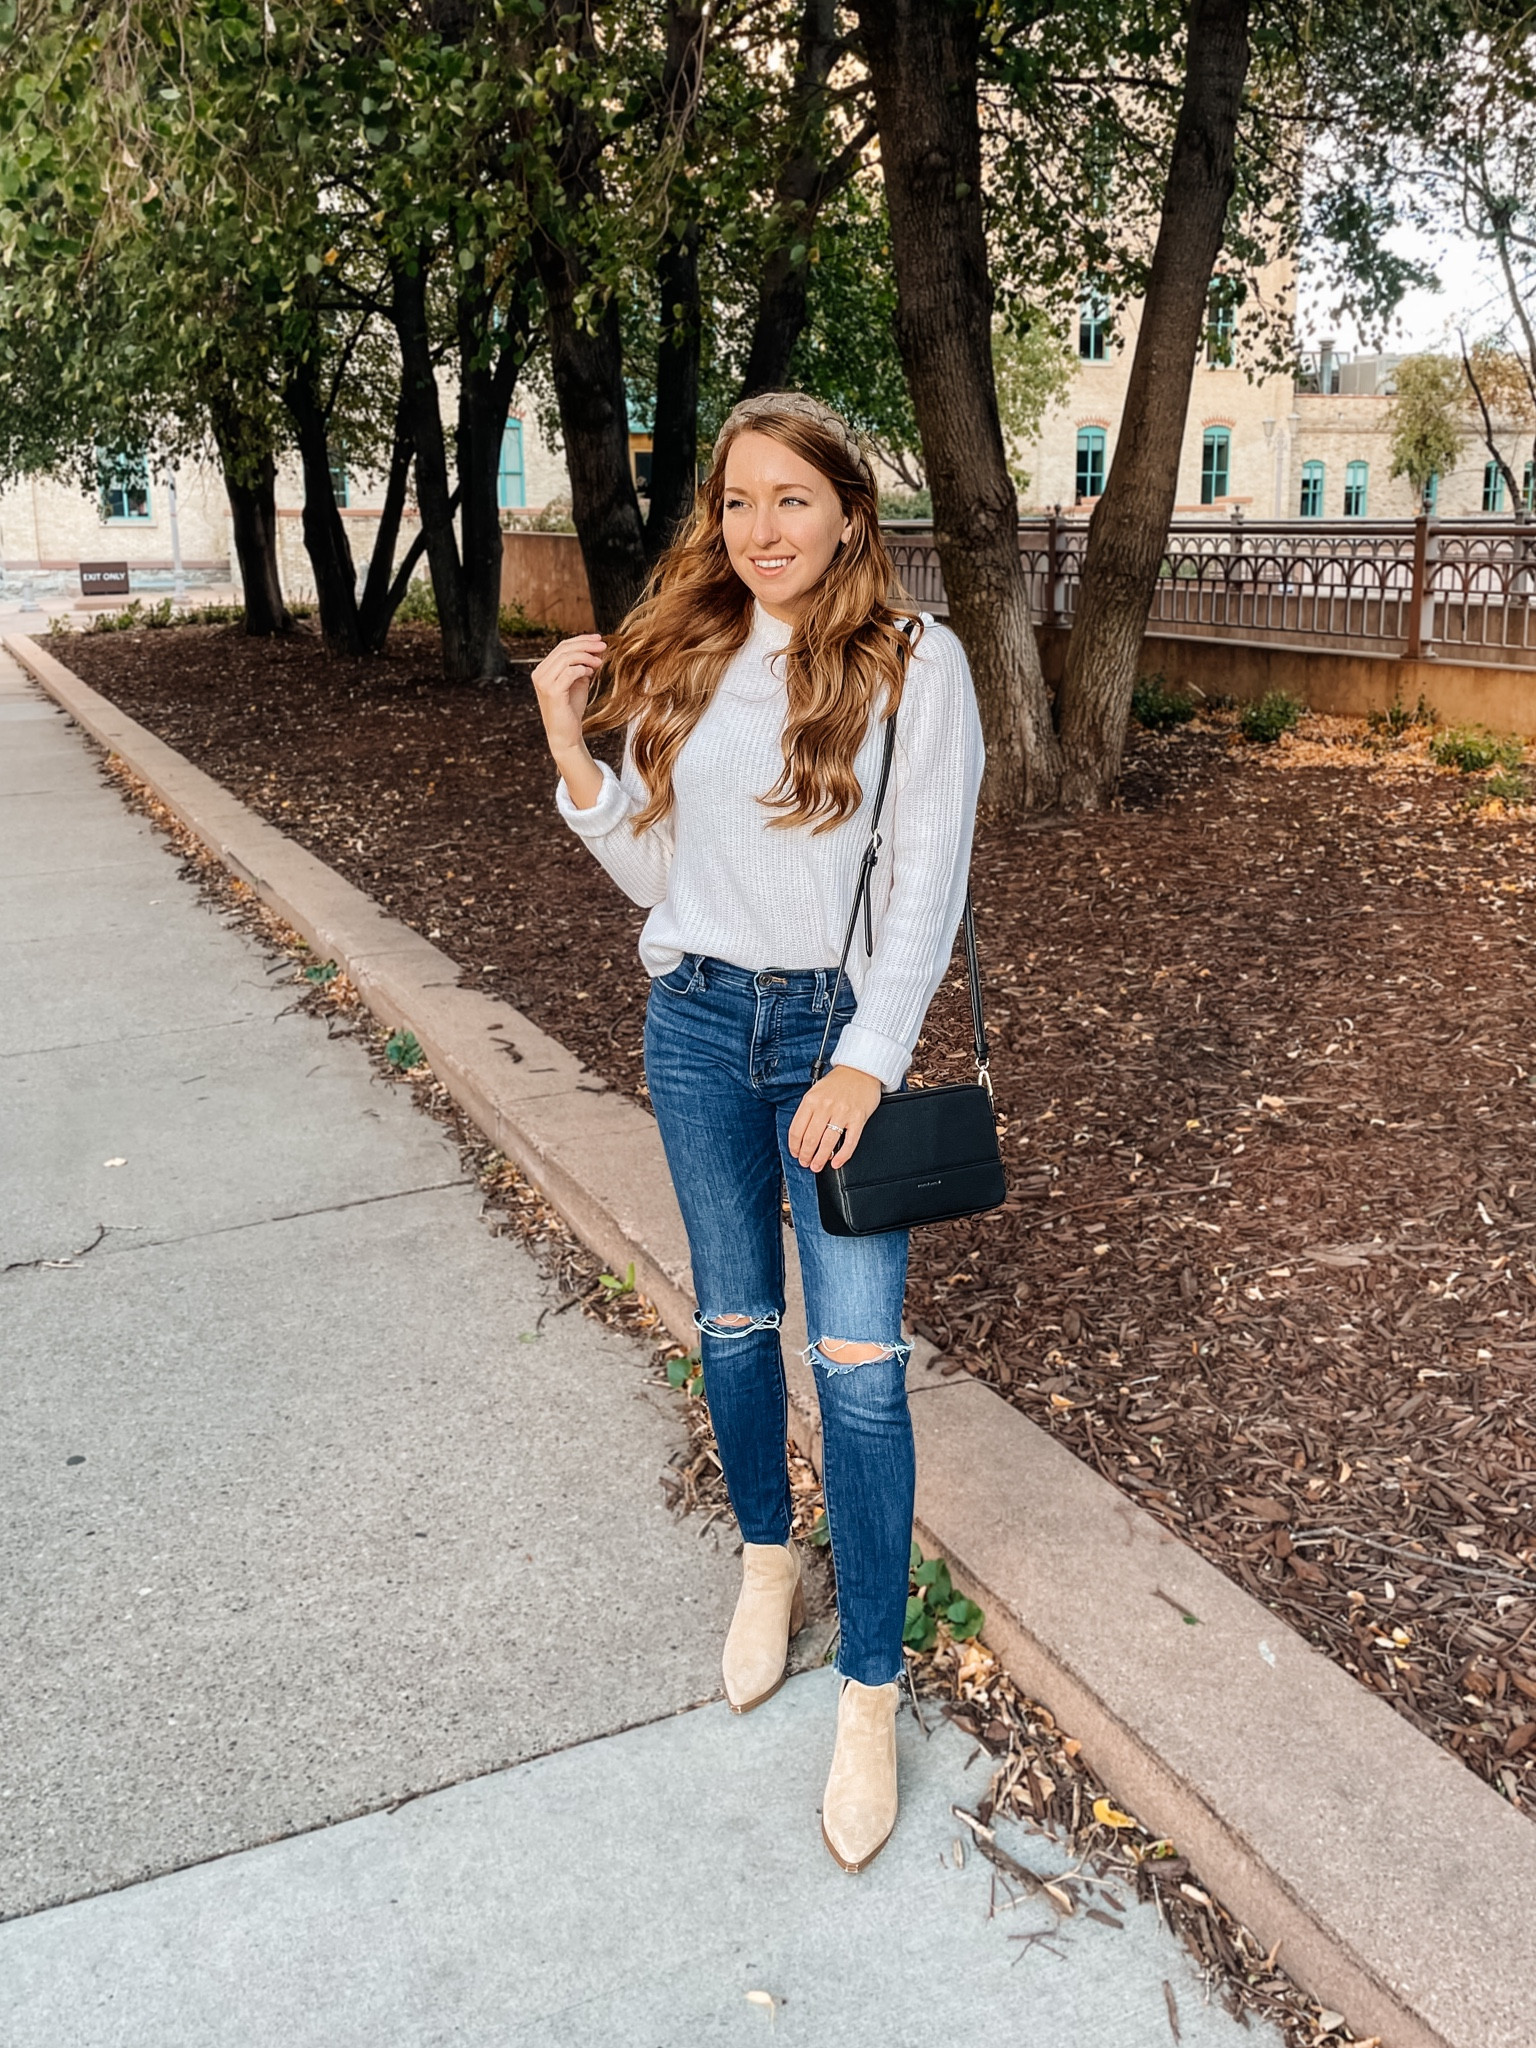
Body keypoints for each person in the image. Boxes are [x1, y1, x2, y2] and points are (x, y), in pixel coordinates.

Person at [531, 390, 984, 1871]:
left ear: (850, 508)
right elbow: (668, 875)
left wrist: (868, 1056)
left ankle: (868, 1689)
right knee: (732, 1324)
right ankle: (764, 1564)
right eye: (737, 502)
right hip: (700, 1025)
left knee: (855, 1365)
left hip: (830, 1041)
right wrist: (571, 748)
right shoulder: (702, 651)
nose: (761, 529)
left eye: (792, 498)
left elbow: (924, 884)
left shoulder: (918, 666)